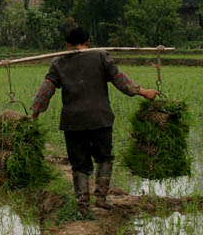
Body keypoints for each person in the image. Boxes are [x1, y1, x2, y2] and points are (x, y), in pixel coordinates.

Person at [30, 26, 158, 216]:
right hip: (100, 118)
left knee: (79, 164)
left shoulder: (58, 63)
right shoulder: (100, 56)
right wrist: (143, 92)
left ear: (67, 45)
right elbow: (121, 80)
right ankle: (101, 197)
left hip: (73, 122)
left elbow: (45, 89)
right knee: (104, 158)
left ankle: (83, 203)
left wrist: (34, 113)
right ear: (88, 42)